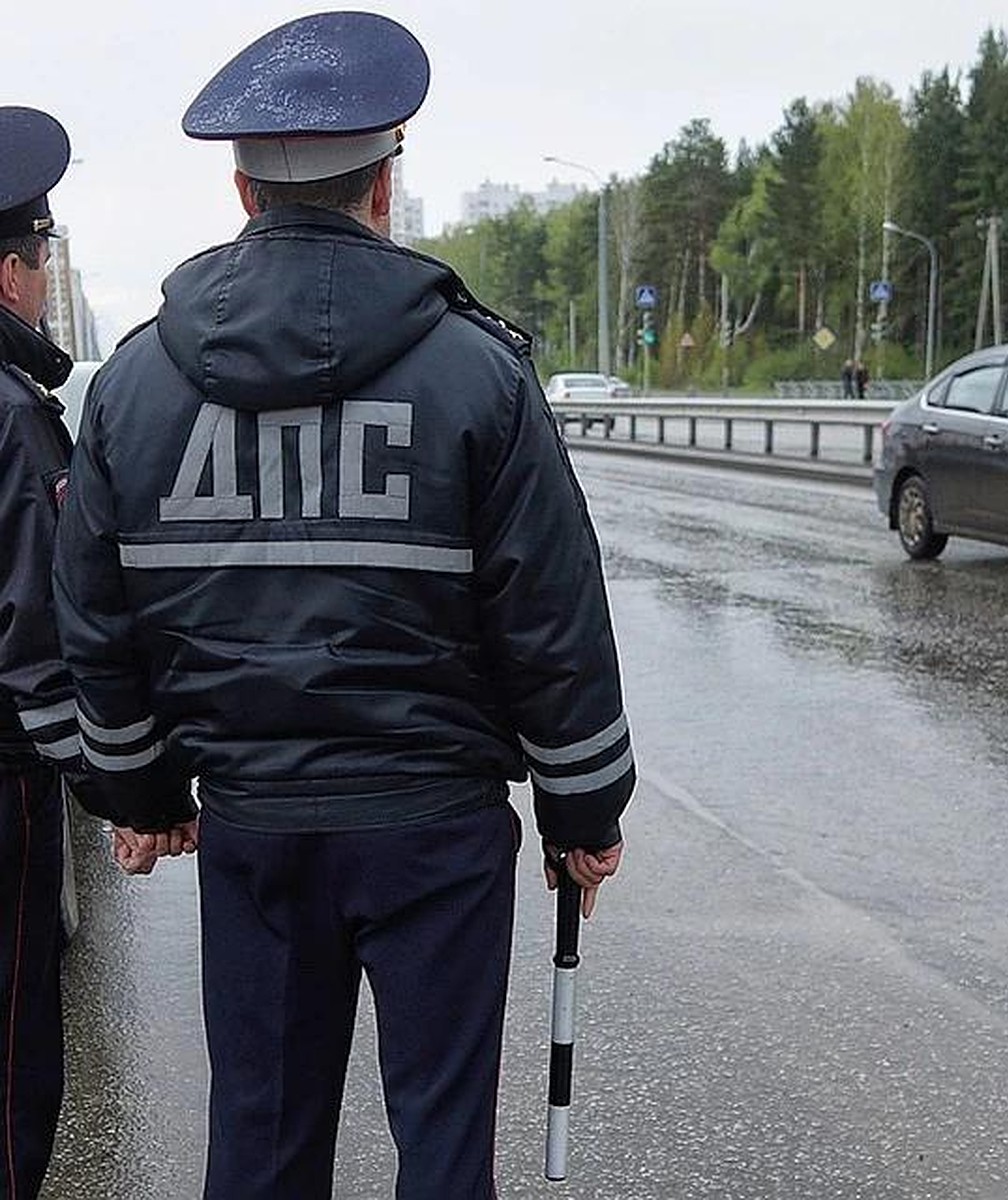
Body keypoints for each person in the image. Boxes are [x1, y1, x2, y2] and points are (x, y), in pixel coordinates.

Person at [53, 12, 635, 1200]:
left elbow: (97, 619)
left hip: (256, 829)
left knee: (259, 1147)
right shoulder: (481, 370)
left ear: (241, 190)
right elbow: (551, 613)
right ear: (386, 185)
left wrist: (145, 791)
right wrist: (584, 805)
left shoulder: (136, 387)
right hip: (436, 833)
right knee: (440, 1144)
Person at [0, 105, 80, 1200]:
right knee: (14, 1054)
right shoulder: (16, 419)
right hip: (2, 781)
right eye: (44, 255)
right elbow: (36, 629)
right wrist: (115, 776)